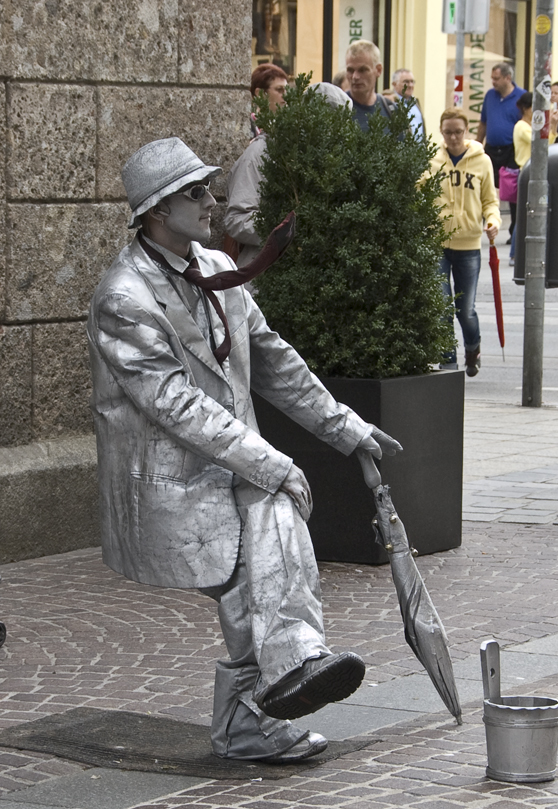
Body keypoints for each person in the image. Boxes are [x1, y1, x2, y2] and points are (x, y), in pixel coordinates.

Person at [88, 137, 402, 763]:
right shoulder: (123, 297)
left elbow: (274, 359)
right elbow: (175, 406)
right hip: (172, 483)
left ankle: (276, 688)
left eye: (209, 186)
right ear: (156, 212)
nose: (213, 199)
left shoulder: (210, 266)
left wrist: (345, 427)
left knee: (271, 531)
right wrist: (272, 461)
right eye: (196, 192)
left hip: (230, 467)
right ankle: (280, 681)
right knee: (253, 558)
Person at [226, 83, 352, 268]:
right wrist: (292, 231)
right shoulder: (263, 152)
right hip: (266, 277)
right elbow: (237, 219)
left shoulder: (341, 158)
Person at [427, 109, 501, 376]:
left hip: (469, 245)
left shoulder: (482, 161)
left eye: (458, 131)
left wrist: (493, 222)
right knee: (442, 307)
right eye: (448, 132)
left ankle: (473, 346)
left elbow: (490, 201)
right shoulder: (432, 160)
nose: (454, 137)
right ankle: (449, 362)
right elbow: (419, 192)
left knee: (465, 309)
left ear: (466, 131)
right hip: (438, 243)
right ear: (441, 131)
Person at [476, 62, 527, 241]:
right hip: (491, 148)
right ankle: (478, 225)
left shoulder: (521, 97)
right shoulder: (490, 96)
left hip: (511, 150)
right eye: (492, 78)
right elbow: (483, 123)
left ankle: (514, 232)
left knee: (513, 190)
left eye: (496, 78)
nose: (493, 82)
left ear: (508, 78)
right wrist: (477, 145)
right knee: (484, 185)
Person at [345, 40, 396, 132]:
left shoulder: (391, 112)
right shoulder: (337, 109)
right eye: (350, 70)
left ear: (378, 70)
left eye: (362, 70)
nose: (355, 77)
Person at [510, 93, 533, 264]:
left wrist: (552, 127)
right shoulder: (521, 126)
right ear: (526, 108)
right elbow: (539, 141)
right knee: (523, 214)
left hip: (533, 170)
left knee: (529, 212)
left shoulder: (530, 126)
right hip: (525, 171)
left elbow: (548, 142)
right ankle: (514, 253)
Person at [249, 64, 288, 137]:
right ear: (260, 94)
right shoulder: (245, 129)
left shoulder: (291, 128)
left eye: (287, 90)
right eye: (279, 89)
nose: (286, 95)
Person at [386, 67, 424, 138]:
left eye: (412, 82)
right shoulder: (389, 103)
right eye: (406, 82)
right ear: (394, 84)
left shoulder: (415, 102)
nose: (410, 85)